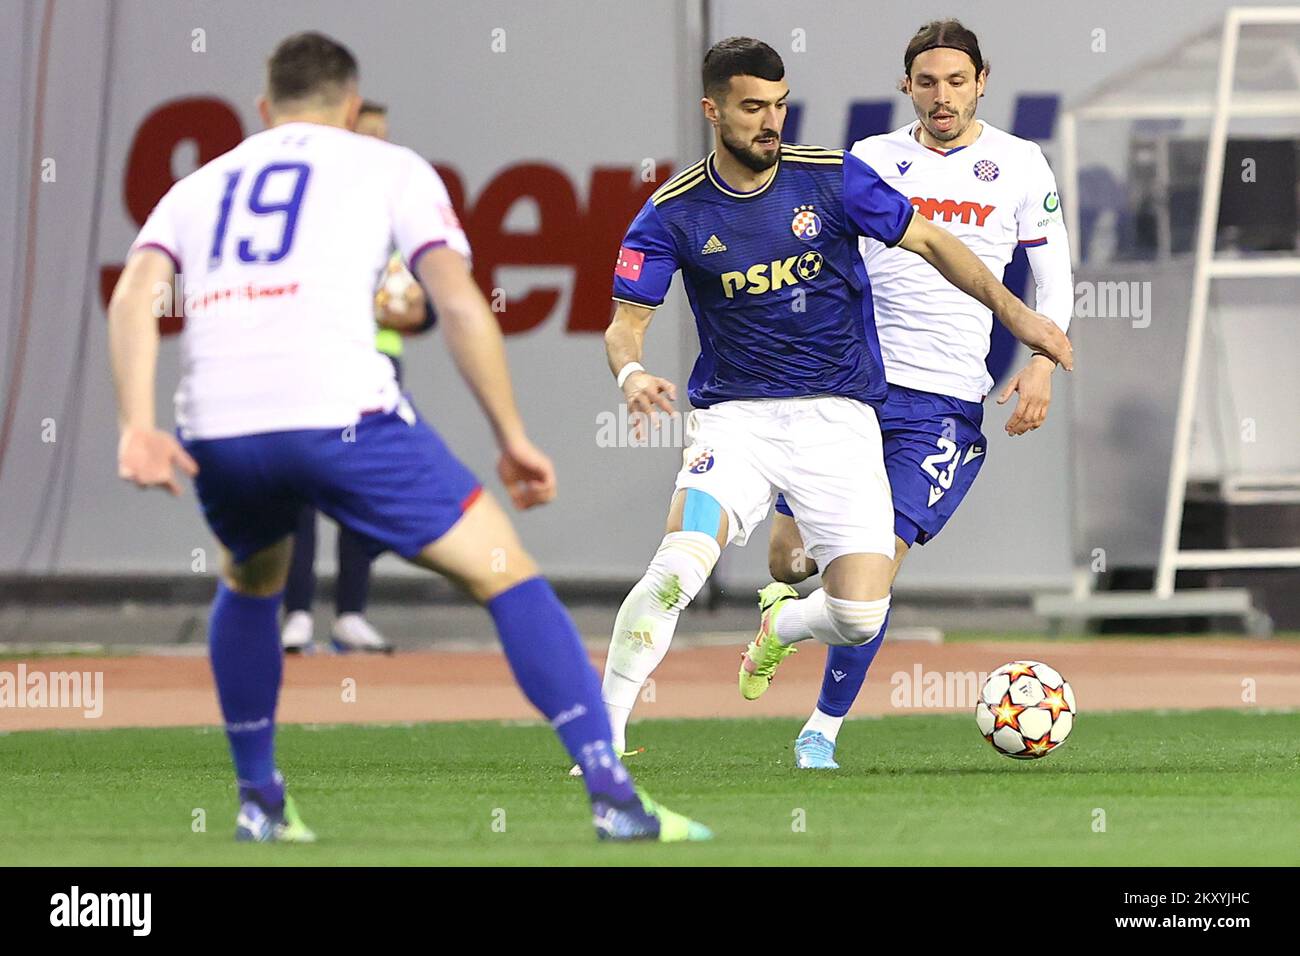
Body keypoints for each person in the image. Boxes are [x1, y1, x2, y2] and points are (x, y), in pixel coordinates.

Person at [108, 31, 709, 843]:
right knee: (505, 572)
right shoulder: (387, 166)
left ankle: (260, 803)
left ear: (263, 109)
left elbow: (136, 291)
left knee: (251, 578)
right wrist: (511, 435)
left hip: (220, 427)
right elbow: (458, 303)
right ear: (351, 107)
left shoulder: (201, 183)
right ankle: (615, 797)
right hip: (345, 419)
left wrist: (137, 426)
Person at [577, 36, 1071, 771]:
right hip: (739, 420)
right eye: (753, 108)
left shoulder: (838, 177)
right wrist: (631, 376)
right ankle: (601, 742)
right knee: (682, 565)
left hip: (846, 418)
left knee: (858, 606)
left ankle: (797, 668)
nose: (770, 122)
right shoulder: (674, 211)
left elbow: (933, 242)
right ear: (712, 111)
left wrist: (1025, 326)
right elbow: (626, 322)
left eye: (779, 106)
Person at [770, 18, 1075, 769]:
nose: (943, 97)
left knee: (873, 572)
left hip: (939, 406)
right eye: (928, 82)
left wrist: (1038, 363)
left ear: (982, 81)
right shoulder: (871, 159)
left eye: (957, 81)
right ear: (906, 85)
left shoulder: (1020, 163)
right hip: (847, 390)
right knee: (789, 563)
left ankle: (820, 732)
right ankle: (789, 614)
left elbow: (1053, 277)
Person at [280, 100, 434, 655]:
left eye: (384, 137)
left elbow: (425, 305)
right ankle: (296, 612)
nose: (378, 147)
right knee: (298, 490)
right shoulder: (316, 206)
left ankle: (350, 613)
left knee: (360, 490)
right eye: (367, 135)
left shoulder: (396, 212)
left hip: (375, 366)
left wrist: (411, 311)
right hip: (314, 359)